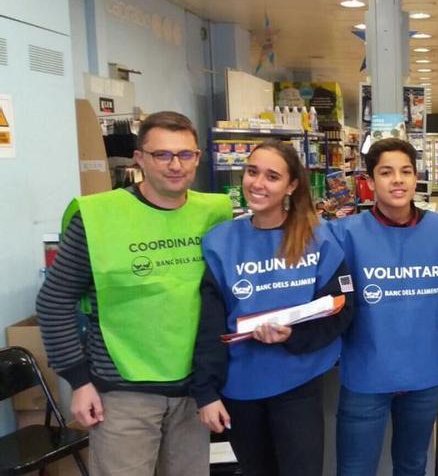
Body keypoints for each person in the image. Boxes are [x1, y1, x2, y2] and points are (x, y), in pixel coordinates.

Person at [35, 111, 231, 476]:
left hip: (194, 391)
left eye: (185, 154)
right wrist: (79, 381)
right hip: (122, 393)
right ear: (139, 159)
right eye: (162, 155)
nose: (176, 165)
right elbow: (54, 300)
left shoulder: (216, 213)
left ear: (198, 157)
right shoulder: (98, 217)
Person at [192, 140, 354, 476]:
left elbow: (342, 308)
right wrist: (206, 392)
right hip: (239, 387)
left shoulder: (318, 239)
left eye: (272, 176)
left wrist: (292, 335)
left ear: (291, 186)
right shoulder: (221, 242)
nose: (258, 183)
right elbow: (209, 324)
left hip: (298, 384)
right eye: (252, 172)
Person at [330, 138, 438, 476]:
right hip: (365, 372)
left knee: (413, 464)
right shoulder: (343, 234)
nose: (398, 180)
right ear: (370, 181)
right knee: (355, 467)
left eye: (406, 171)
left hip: (424, 373)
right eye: (386, 172)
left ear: (416, 176)